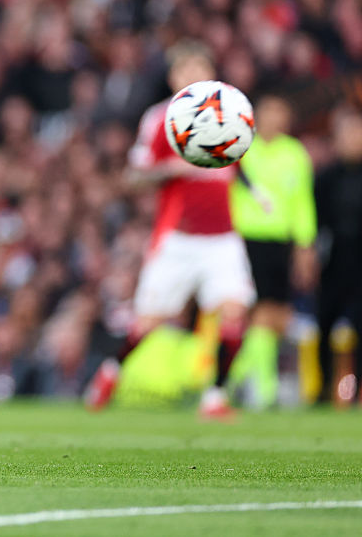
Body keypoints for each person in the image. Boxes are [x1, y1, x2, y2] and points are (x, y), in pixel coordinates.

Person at [84, 40, 256, 417]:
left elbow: (239, 167)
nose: (193, 74)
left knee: (234, 310)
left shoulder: (230, 113)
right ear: (173, 77)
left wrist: (255, 192)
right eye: (185, 69)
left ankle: (215, 398)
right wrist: (171, 169)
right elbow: (134, 176)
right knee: (148, 322)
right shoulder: (161, 119)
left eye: (200, 67)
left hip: (222, 236)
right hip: (178, 236)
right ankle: (110, 374)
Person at [228, 93, 317, 409]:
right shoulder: (239, 149)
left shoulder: (295, 154)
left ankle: (235, 378)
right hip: (244, 239)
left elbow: (302, 203)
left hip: (279, 242)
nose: (274, 118)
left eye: (281, 112)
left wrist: (305, 244)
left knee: (278, 314)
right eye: (269, 111)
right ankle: (261, 388)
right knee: (255, 311)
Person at [314, 105, 362, 403]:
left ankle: (357, 392)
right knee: (325, 324)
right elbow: (314, 221)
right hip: (333, 261)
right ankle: (323, 389)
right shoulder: (325, 177)